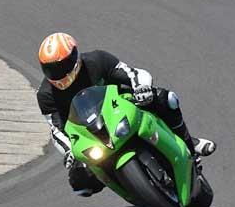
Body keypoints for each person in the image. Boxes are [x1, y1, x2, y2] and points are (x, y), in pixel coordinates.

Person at [36, 32, 216, 196]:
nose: (58, 73)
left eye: (63, 65)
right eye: (51, 69)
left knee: (167, 99)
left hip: (123, 107)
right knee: (80, 182)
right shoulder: (45, 94)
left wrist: (142, 88)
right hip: (91, 132)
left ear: (75, 56)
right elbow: (56, 130)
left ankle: (190, 145)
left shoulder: (97, 60)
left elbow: (133, 73)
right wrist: (69, 152)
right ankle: (129, 186)